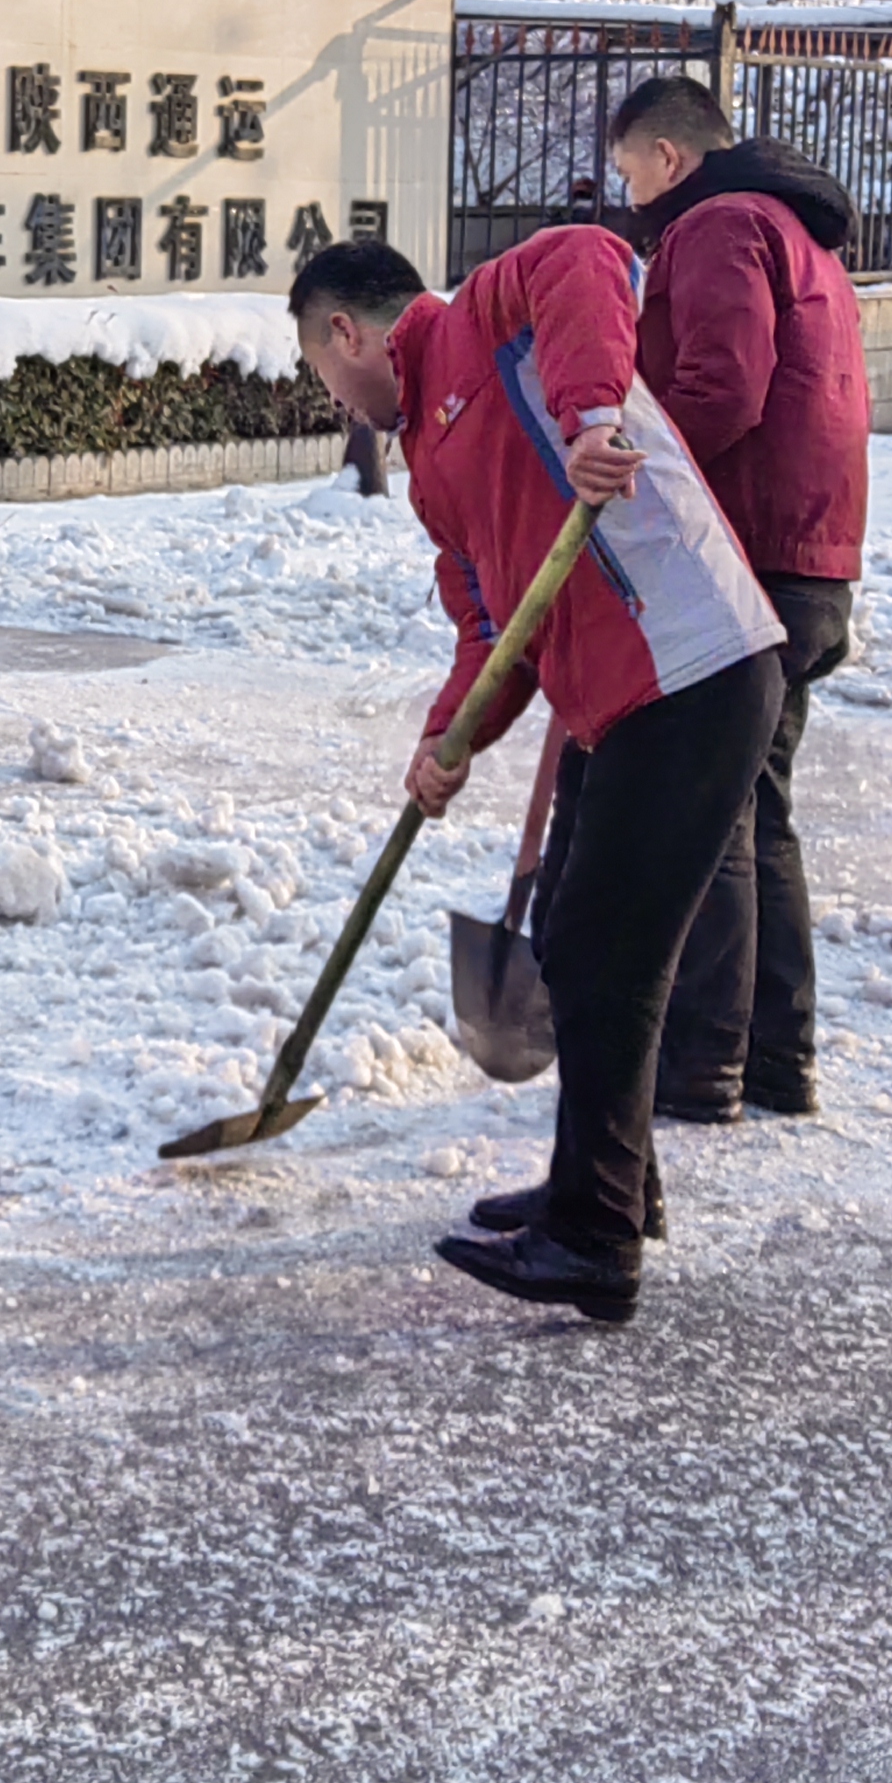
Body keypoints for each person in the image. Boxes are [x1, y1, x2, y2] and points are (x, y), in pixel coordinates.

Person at [290, 232, 785, 1326]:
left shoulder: (486, 316)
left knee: (611, 955)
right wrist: (447, 741)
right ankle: (601, 1183)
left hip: (694, 663)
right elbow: (488, 629)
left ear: (344, 332)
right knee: (573, 940)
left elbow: (590, 260)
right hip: (615, 703)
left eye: (325, 376)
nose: (336, 399)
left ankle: (596, 1240)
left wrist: (589, 420)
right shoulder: (430, 465)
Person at [596, 75, 871, 1122]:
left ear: (668, 157)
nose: (626, 196)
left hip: (753, 551)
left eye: (628, 171)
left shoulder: (717, 226)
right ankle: (771, 1056)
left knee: (711, 813)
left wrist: (620, 473)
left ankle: (706, 1061)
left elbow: (721, 389)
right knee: (755, 810)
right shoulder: (798, 232)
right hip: (811, 550)